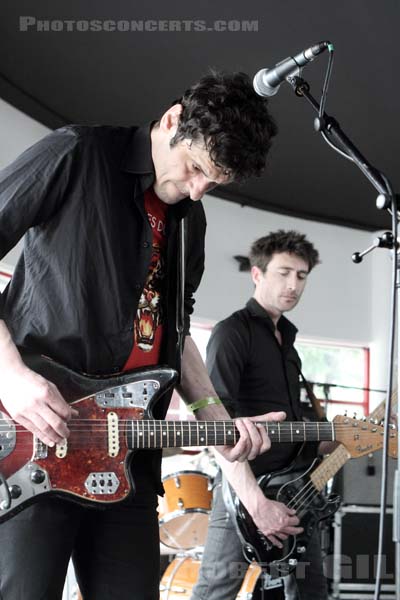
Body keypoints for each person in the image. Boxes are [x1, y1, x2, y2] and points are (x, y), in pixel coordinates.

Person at [0, 72, 290, 600]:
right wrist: (11, 375)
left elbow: (173, 337)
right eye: (196, 168)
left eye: (214, 182)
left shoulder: (190, 222)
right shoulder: (77, 154)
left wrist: (218, 423)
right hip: (34, 437)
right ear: (173, 121)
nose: (199, 189)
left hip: (129, 458)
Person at [191, 230, 329, 600]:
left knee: (311, 591)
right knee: (217, 590)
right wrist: (256, 504)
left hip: (293, 489)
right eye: (283, 272)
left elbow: (292, 427)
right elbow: (215, 427)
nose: (293, 285)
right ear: (257, 274)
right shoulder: (232, 333)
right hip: (244, 489)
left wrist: (335, 437)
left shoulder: (288, 340)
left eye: (301, 276)